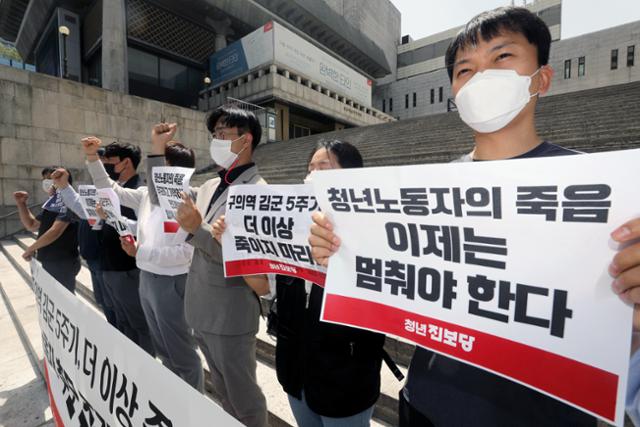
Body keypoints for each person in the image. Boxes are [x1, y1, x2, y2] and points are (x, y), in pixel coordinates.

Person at [307, 6, 640, 426]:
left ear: (542, 77)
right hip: (424, 402)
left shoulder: (607, 196)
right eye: (466, 70)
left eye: (502, 58)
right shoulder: (423, 193)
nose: (481, 78)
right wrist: (338, 251)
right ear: (454, 92)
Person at [212, 140, 389, 427]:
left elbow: (382, 305)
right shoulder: (290, 228)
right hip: (296, 374)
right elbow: (264, 287)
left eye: (324, 167)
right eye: (310, 168)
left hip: (345, 382)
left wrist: (342, 268)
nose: (313, 174)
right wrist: (231, 245)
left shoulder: (373, 234)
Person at [146, 106, 268, 427]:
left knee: (245, 400)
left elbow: (253, 268)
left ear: (246, 140)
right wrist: (158, 151)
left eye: (223, 135)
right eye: (214, 135)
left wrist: (196, 229)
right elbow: (163, 196)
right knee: (225, 396)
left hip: (230, 318)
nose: (216, 141)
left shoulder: (259, 193)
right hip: (200, 310)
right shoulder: (212, 186)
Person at [76, 131, 204, 392]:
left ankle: (194, 406)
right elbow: (112, 192)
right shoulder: (147, 195)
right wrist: (92, 158)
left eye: (160, 164)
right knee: (163, 349)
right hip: (146, 278)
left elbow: (186, 252)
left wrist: (140, 253)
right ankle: (172, 398)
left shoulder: (192, 200)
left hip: (173, 284)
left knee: (182, 353)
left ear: (175, 170)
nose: (152, 171)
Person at [14, 167, 80, 293]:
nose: (46, 182)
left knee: (64, 302)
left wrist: (31, 248)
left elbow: (56, 231)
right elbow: (32, 225)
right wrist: (21, 204)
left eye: (51, 178)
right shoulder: (52, 203)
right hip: (49, 260)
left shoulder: (69, 202)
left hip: (62, 261)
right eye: (44, 179)